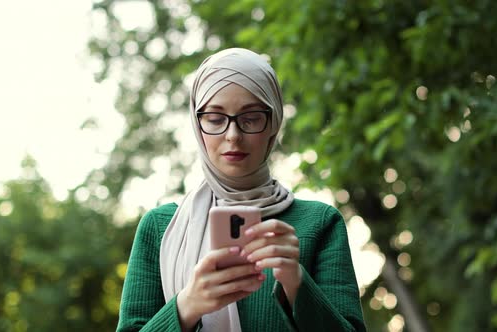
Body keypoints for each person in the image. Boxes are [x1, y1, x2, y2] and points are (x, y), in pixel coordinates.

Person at [116, 48, 366, 332]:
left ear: (272, 124)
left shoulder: (320, 222)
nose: (233, 135)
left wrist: (296, 282)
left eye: (251, 118)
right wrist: (187, 305)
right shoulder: (160, 228)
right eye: (215, 118)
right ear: (197, 125)